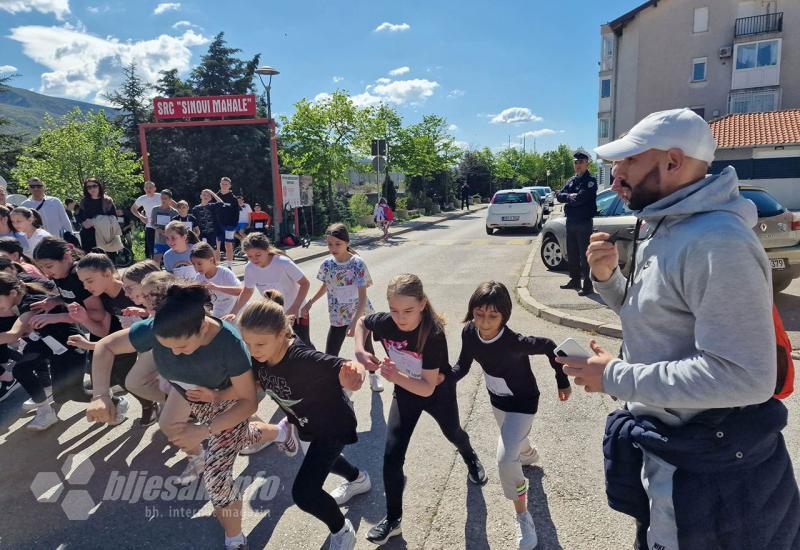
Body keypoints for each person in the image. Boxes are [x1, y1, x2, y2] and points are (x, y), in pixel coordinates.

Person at [558, 108, 800, 550]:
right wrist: (609, 281)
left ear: (672, 161)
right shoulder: (668, 224)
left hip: (718, 482)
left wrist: (614, 375)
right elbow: (660, 318)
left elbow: (744, 377)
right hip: (682, 458)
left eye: (628, 162)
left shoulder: (718, 240)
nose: (615, 179)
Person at [85, 283, 264, 550]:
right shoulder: (159, 327)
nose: (175, 354)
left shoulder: (230, 344)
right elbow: (106, 346)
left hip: (228, 400)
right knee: (170, 425)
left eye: (182, 347)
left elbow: (248, 400)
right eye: (166, 348)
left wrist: (204, 430)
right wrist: (100, 394)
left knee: (217, 477)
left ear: (203, 327)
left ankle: (235, 538)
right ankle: (276, 433)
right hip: (188, 391)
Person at [353, 273, 487, 545]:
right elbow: (361, 323)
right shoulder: (386, 322)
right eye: (394, 310)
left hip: (436, 393)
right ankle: (393, 519)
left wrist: (394, 377)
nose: (400, 318)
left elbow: (427, 386)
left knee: (454, 433)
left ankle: (469, 455)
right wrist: (359, 350)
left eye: (408, 311)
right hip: (405, 393)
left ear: (423, 304)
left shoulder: (433, 333)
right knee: (391, 456)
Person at [236, 298, 367, 549]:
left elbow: (348, 367)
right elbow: (253, 384)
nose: (254, 351)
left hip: (333, 425)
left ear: (283, 333)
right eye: (248, 343)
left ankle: (342, 529)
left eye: (260, 343)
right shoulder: (260, 357)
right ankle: (358, 479)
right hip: (305, 424)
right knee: (323, 461)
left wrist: (355, 375)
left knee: (305, 493)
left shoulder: (302, 358)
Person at [453, 281, 571, 550]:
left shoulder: (514, 342)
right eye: (479, 314)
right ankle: (528, 454)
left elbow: (550, 346)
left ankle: (522, 514)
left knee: (506, 459)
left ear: (504, 315)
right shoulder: (470, 332)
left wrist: (561, 380)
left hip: (523, 403)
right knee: (516, 444)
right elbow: (462, 366)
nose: (484, 322)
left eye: (492, 316)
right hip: (497, 400)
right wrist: (442, 378)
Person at [67, 253, 159, 425]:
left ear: (107, 273)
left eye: (90, 280)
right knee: (125, 377)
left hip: (156, 341)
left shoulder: (135, 289)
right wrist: (84, 319)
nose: (86, 287)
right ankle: (148, 404)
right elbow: (104, 332)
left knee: (141, 379)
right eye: (83, 282)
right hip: (132, 340)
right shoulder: (102, 297)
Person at [0, 273, 92, 430]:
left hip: (69, 346)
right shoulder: (15, 301)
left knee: (72, 395)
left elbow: (13, 335)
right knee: (21, 369)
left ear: (13, 293)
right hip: (46, 347)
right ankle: (45, 411)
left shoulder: (32, 303)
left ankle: (112, 399)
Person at [300, 223, 383, 392]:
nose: (333, 248)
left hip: (359, 314)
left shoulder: (357, 263)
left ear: (346, 242)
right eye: (330, 244)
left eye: (338, 244)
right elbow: (326, 285)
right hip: (338, 314)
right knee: (331, 351)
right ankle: (330, 381)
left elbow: (363, 296)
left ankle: (374, 376)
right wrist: (310, 302)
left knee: (366, 348)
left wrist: (355, 323)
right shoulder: (327, 264)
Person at [228, 232, 313, 347]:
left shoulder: (282, 262)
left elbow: (305, 283)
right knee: (280, 348)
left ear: (267, 250)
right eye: (249, 256)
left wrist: (295, 307)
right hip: (275, 316)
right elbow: (247, 291)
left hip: (297, 313)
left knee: (303, 346)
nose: (254, 259)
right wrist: (234, 312)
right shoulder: (250, 268)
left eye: (258, 255)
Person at [556, 149, 597, 296]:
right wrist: (570, 197)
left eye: (581, 162)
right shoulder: (572, 180)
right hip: (571, 221)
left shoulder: (590, 181)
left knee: (584, 256)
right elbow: (559, 196)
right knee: (572, 253)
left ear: (587, 164)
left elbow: (581, 198)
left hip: (584, 222)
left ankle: (587, 285)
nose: (578, 165)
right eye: (576, 162)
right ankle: (574, 280)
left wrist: (570, 198)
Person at [191, 243, 242, 318]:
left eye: (199, 263)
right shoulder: (198, 278)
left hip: (236, 308)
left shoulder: (224, 272)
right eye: (193, 264)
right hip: (219, 311)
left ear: (211, 260)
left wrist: (216, 287)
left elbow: (240, 291)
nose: (196, 267)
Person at [75, 177, 118, 253]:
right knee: (91, 262)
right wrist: (83, 223)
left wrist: (95, 221)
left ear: (99, 186)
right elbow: (78, 216)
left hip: (104, 235)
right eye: (89, 187)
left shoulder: (107, 201)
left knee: (107, 261)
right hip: (88, 236)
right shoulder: (83, 201)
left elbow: (114, 218)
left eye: (94, 186)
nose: (92, 189)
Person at [131, 181, 163, 259]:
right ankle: (155, 265)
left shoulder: (161, 196)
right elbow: (133, 209)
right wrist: (141, 217)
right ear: (144, 189)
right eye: (147, 188)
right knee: (151, 247)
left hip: (163, 226)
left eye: (151, 188)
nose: (149, 189)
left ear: (155, 188)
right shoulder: (142, 199)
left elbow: (174, 205)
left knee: (164, 245)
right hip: (150, 225)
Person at [216, 177, 241, 265]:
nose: (224, 186)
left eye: (226, 184)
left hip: (230, 226)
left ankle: (229, 266)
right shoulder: (215, 197)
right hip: (217, 226)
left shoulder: (233, 199)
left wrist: (234, 226)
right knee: (216, 247)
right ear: (220, 184)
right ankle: (217, 266)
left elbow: (236, 213)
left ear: (230, 186)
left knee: (228, 245)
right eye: (222, 184)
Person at [150, 189, 178, 266]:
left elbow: (176, 226)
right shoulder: (155, 209)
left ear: (170, 199)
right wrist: (157, 228)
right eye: (162, 198)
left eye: (165, 198)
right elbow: (152, 223)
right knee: (155, 261)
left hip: (170, 241)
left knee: (171, 261)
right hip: (158, 240)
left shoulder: (174, 212)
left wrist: (168, 231)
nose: (163, 200)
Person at [192, 189, 224, 253]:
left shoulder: (212, 206)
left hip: (212, 234)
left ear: (210, 198)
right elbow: (194, 223)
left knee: (213, 251)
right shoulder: (195, 209)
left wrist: (212, 193)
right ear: (200, 196)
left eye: (208, 195)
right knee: (202, 250)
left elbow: (221, 203)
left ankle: (213, 262)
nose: (205, 196)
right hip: (201, 234)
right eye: (204, 195)